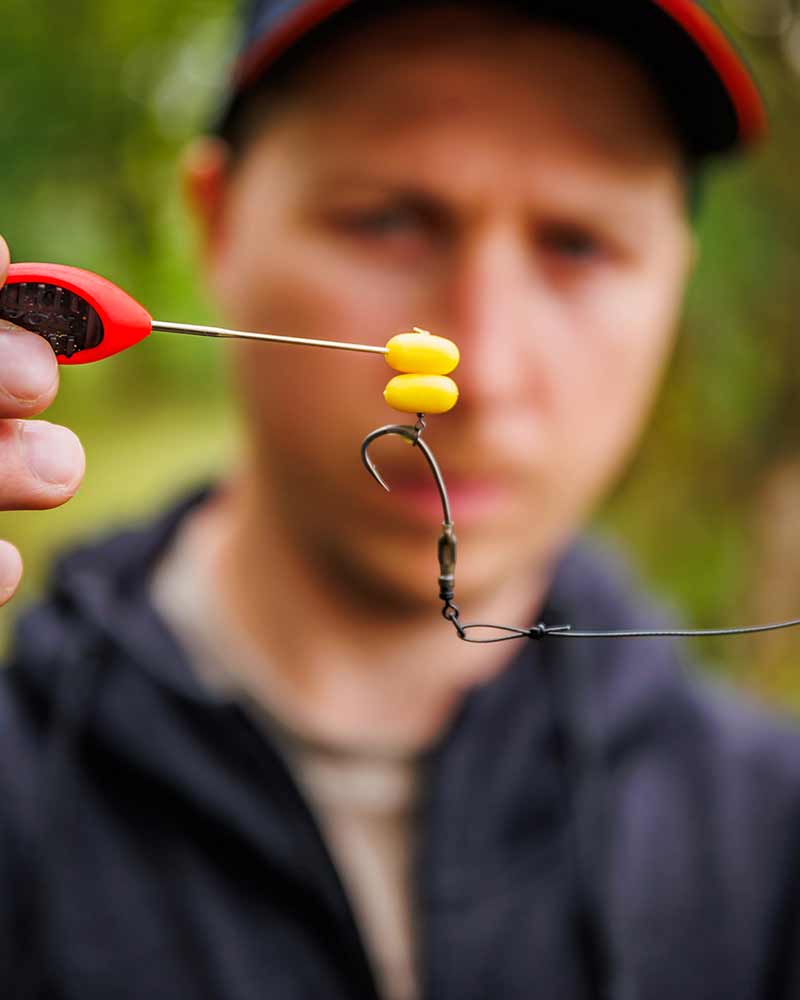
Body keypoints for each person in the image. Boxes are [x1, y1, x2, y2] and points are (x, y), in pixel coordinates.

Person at [1, 1, 799, 997]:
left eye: (577, 244)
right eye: (387, 220)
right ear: (219, 224)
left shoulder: (771, 849)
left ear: (674, 277)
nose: (486, 369)